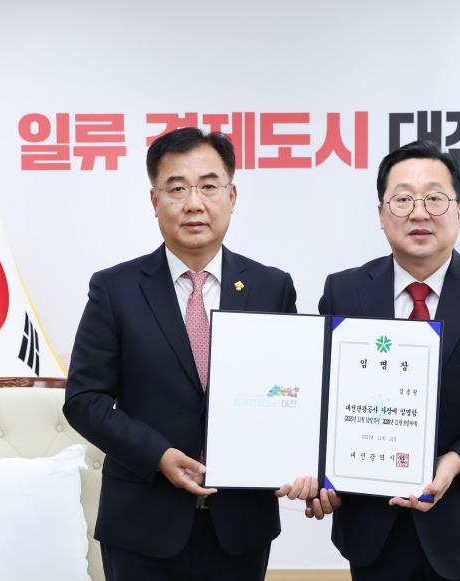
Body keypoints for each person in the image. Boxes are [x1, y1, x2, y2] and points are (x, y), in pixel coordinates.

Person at [64, 127, 305, 581]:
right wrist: (157, 454)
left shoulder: (271, 287)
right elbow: (84, 400)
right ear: (155, 200)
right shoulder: (115, 289)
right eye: (177, 188)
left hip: (240, 525)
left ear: (232, 195)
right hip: (142, 521)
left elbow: (294, 393)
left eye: (209, 186)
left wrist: (302, 462)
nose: (194, 203)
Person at [307, 140, 460, 581]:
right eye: (402, 199)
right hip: (373, 530)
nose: (418, 213)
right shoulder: (344, 292)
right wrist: (322, 473)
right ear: (381, 213)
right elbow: (320, 396)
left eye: (434, 199)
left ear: (458, 211)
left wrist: (456, 460)